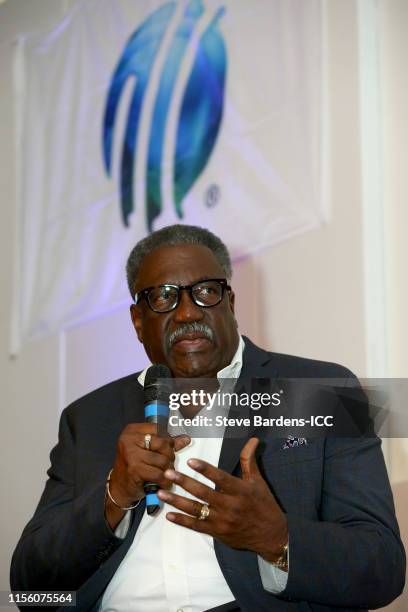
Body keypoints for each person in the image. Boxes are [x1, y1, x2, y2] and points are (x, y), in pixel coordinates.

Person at [11, 224, 405, 611]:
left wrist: (276, 538)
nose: (186, 313)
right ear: (136, 321)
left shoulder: (322, 390)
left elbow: (382, 568)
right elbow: (30, 589)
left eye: (205, 292)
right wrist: (115, 495)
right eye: (163, 297)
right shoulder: (89, 417)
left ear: (230, 303)